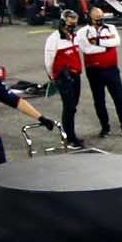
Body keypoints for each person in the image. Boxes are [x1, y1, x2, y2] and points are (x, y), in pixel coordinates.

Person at [76, 6, 122, 138]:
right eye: (97, 18)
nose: (100, 20)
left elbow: (116, 42)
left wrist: (97, 42)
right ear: (90, 17)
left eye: (101, 17)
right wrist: (105, 47)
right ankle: (105, 127)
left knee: (119, 99)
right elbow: (87, 49)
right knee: (99, 100)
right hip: (94, 71)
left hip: (112, 69)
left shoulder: (111, 28)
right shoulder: (82, 32)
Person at [43, 10, 88, 149]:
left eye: (74, 24)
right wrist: (53, 77)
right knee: (68, 107)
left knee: (73, 107)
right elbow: (48, 60)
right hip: (63, 77)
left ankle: (71, 134)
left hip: (75, 75)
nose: (72, 27)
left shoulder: (74, 37)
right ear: (63, 22)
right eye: (69, 24)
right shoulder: (54, 39)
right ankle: (70, 138)